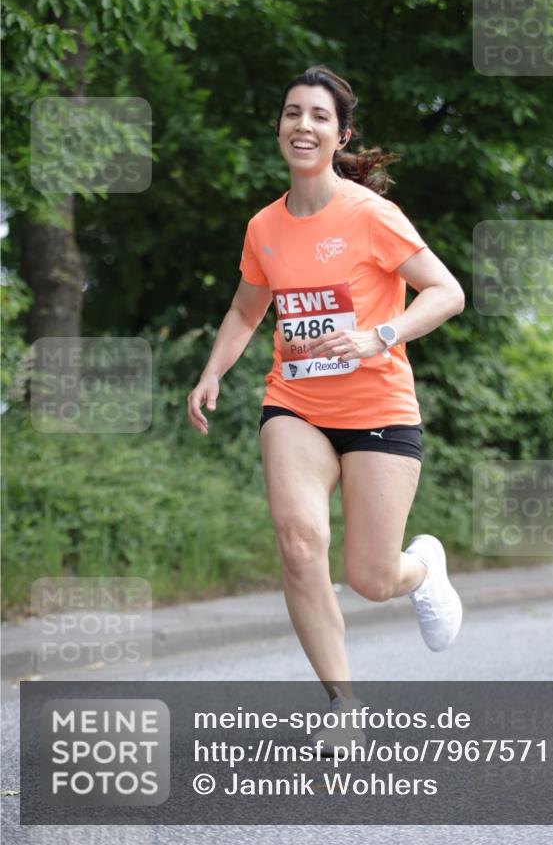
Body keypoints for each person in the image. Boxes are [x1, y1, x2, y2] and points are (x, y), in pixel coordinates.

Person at [187, 65, 465, 749]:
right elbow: (247, 307)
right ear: (279, 128)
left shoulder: (370, 216)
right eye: (291, 113)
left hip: (378, 407)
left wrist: (380, 334)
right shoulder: (264, 227)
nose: (301, 125)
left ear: (340, 136)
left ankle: (423, 567)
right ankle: (344, 708)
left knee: (371, 579)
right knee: (299, 543)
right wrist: (212, 371)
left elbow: (446, 292)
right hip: (296, 404)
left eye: (317, 116)